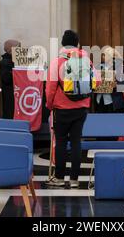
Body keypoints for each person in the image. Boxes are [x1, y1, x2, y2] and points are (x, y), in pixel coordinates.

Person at [45, 30, 92, 188]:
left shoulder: (56, 62)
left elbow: (50, 88)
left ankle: (59, 178)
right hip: (81, 108)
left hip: (61, 108)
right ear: (77, 43)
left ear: (63, 44)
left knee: (61, 142)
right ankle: (74, 179)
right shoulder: (86, 60)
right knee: (76, 142)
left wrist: (49, 105)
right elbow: (95, 82)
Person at [0, 39, 20, 119]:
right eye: (17, 48)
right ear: (11, 49)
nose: (19, 50)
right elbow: (6, 79)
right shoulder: (5, 62)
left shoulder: (15, 60)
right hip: (10, 94)